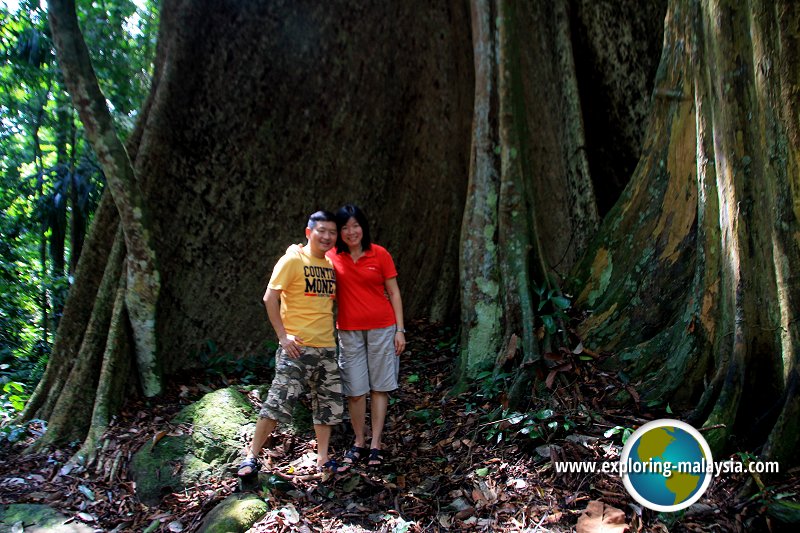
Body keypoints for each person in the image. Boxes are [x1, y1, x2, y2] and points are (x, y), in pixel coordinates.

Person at [237, 210, 343, 478]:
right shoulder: (293, 259)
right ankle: (251, 456)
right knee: (277, 401)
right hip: (297, 347)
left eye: (332, 232)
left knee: (327, 405)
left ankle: (323, 458)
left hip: (327, 347)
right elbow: (269, 298)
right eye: (322, 231)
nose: (327, 237)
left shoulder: (330, 265)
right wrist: (283, 337)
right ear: (309, 232)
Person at [331, 204, 405, 469]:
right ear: (339, 232)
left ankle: (376, 443)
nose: (351, 232)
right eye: (345, 228)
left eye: (355, 225)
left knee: (379, 387)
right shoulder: (331, 257)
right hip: (349, 331)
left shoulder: (379, 254)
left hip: (382, 328)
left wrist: (400, 330)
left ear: (363, 227)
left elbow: (394, 292)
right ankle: (359, 441)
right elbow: (307, 259)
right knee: (355, 390)